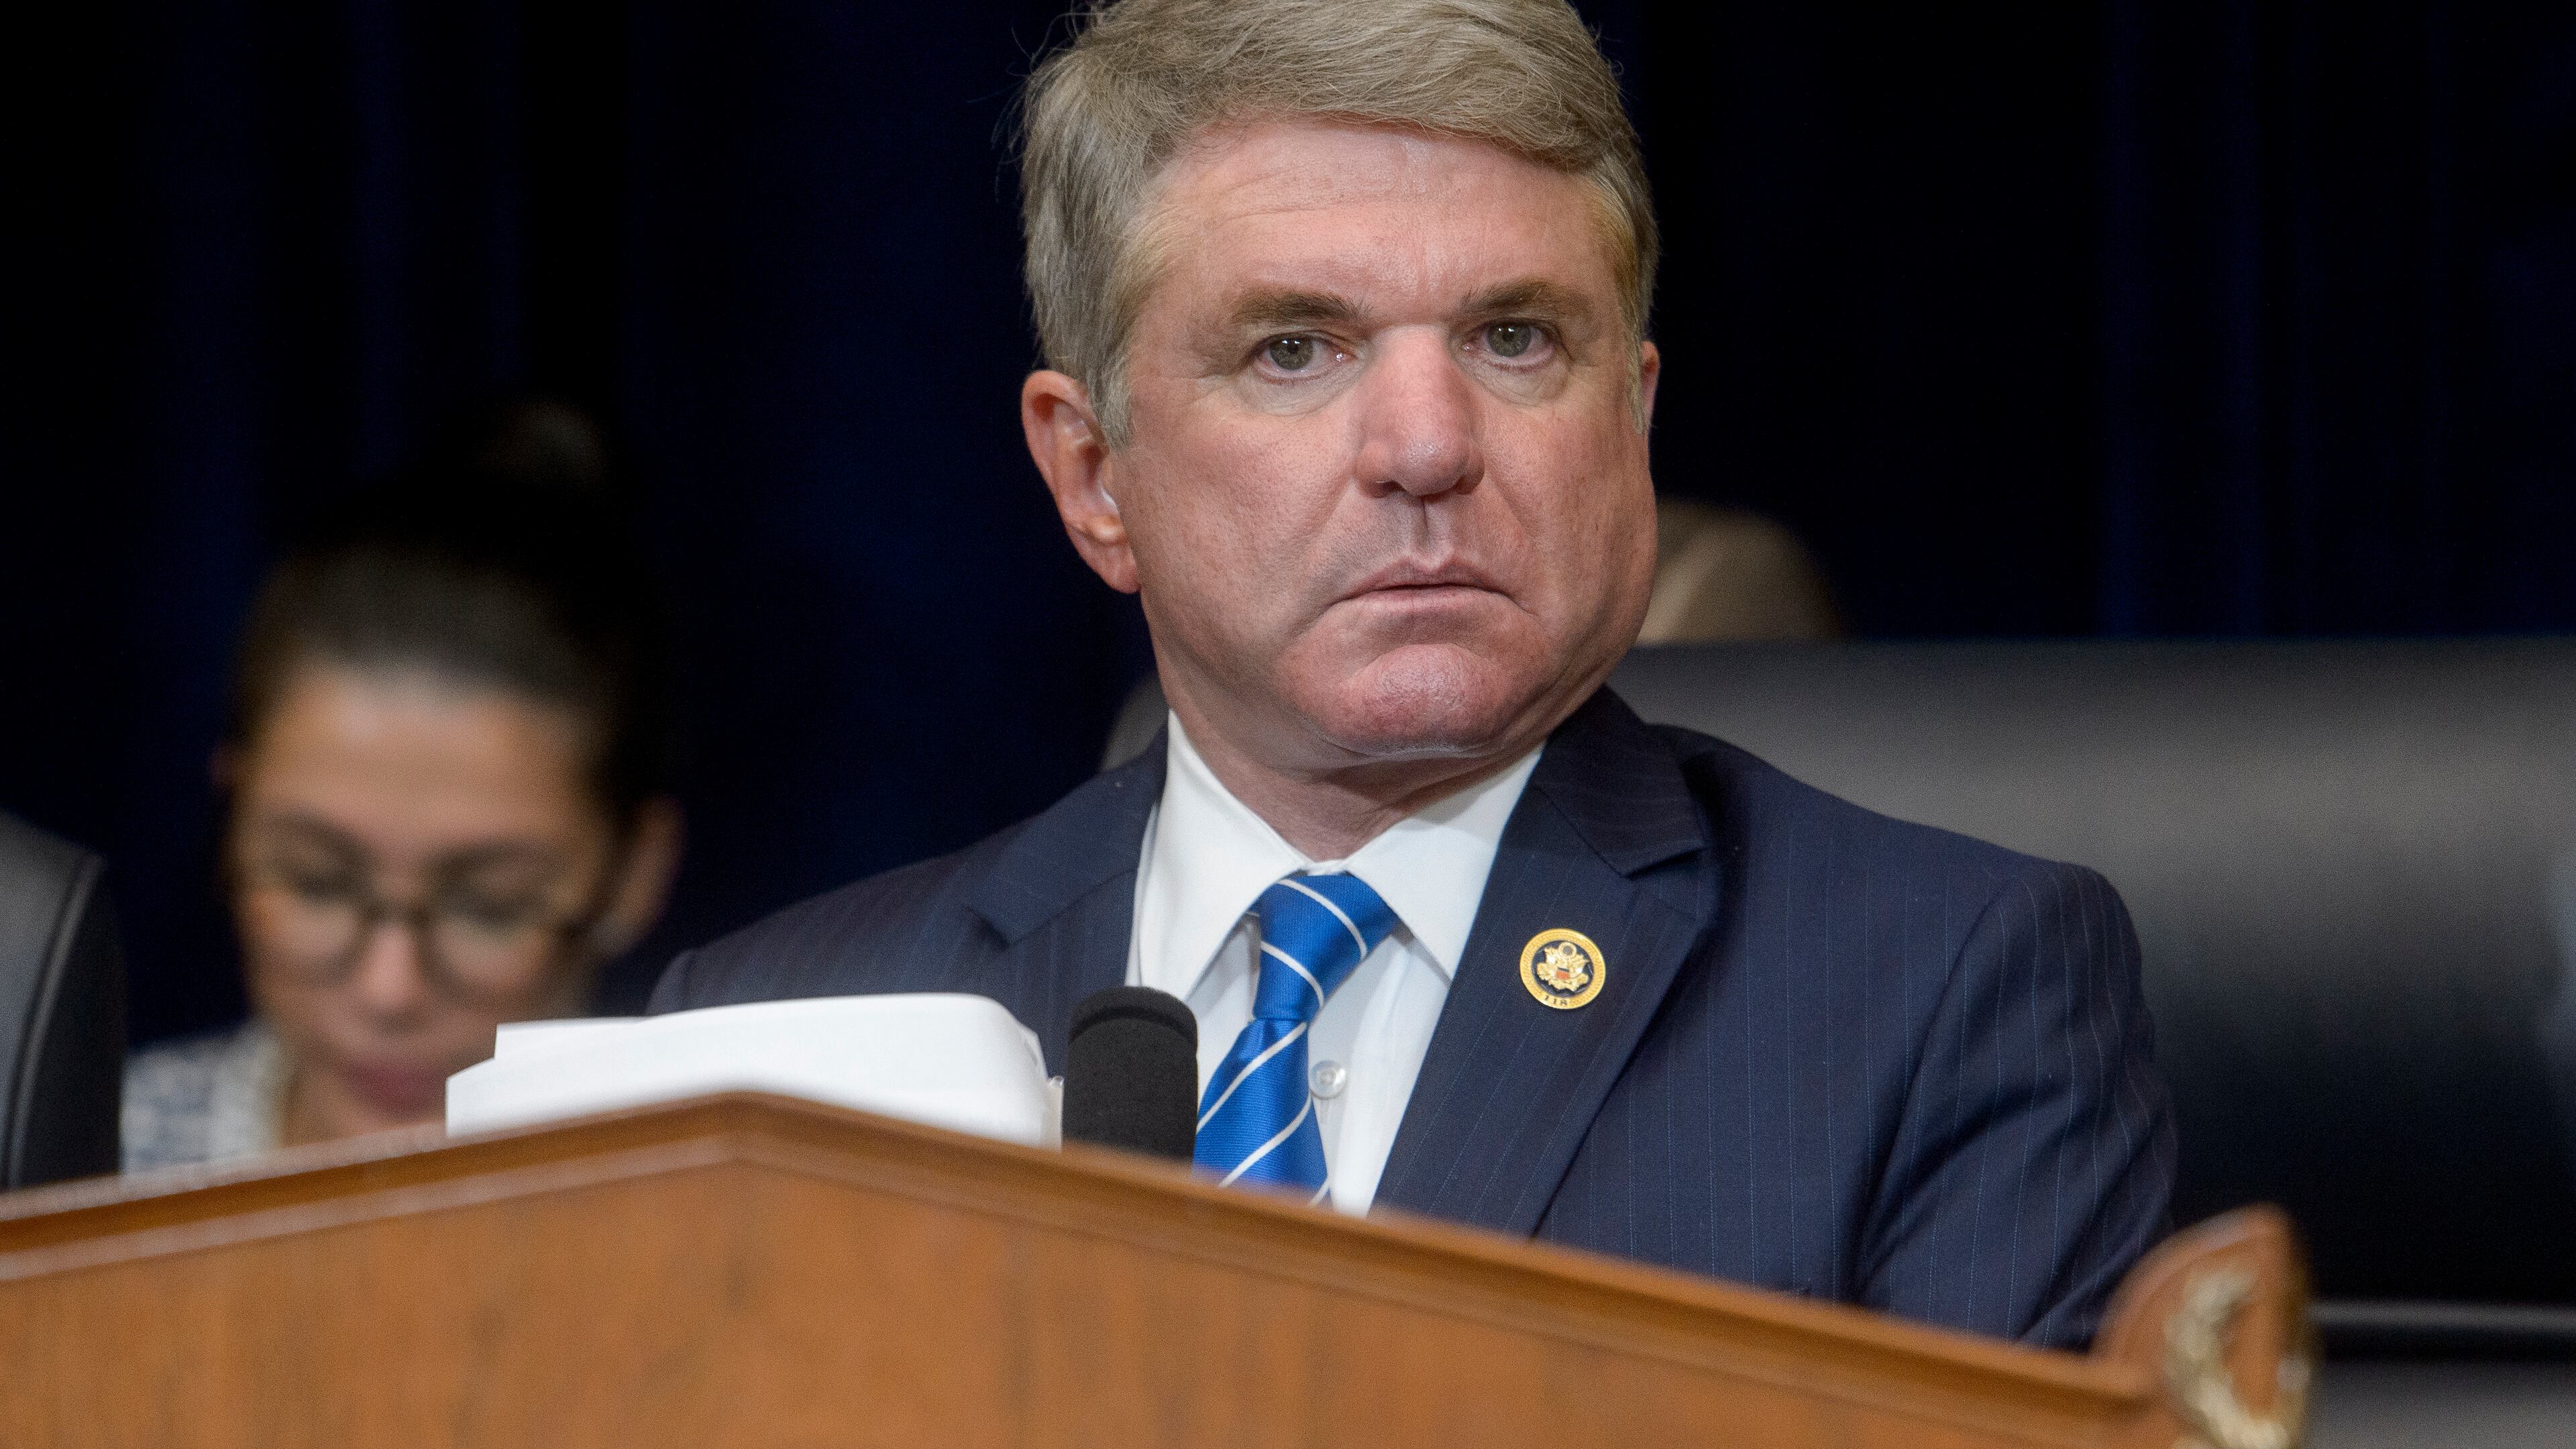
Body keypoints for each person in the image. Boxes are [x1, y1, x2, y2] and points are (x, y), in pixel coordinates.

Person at [651, 0, 2173, 1348]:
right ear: (1092, 470)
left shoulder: (1939, 994)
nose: (1429, 447)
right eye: (1295, 350)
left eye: (1514, 338)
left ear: (1631, 422)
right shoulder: (766, 1030)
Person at [123, 409, 683, 1171]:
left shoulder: (730, 1220)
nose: (391, 992)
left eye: (488, 907)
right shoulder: (75, 1167)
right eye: (318, 883)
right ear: (233, 818)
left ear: (634, 874)